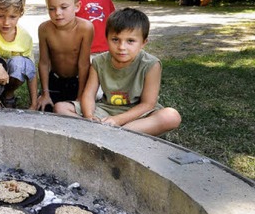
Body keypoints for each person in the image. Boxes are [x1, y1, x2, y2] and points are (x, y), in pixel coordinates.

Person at [54, 8, 181, 136]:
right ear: (107, 38)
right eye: (115, 39)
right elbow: (88, 95)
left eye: (130, 41)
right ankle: (105, 132)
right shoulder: (99, 62)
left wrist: (117, 120)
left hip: (138, 114)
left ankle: (116, 134)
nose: (121, 47)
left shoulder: (151, 64)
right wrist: (89, 116)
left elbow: (148, 104)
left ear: (143, 42)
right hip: (107, 110)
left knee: (171, 116)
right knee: (61, 108)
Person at [36, 0, 94, 112]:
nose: (57, 13)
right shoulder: (44, 29)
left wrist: (80, 96)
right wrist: (45, 93)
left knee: (80, 112)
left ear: (77, 6)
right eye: (51, 8)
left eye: (64, 7)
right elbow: (44, 63)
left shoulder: (85, 28)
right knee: (44, 111)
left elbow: (84, 64)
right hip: (55, 80)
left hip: (77, 81)